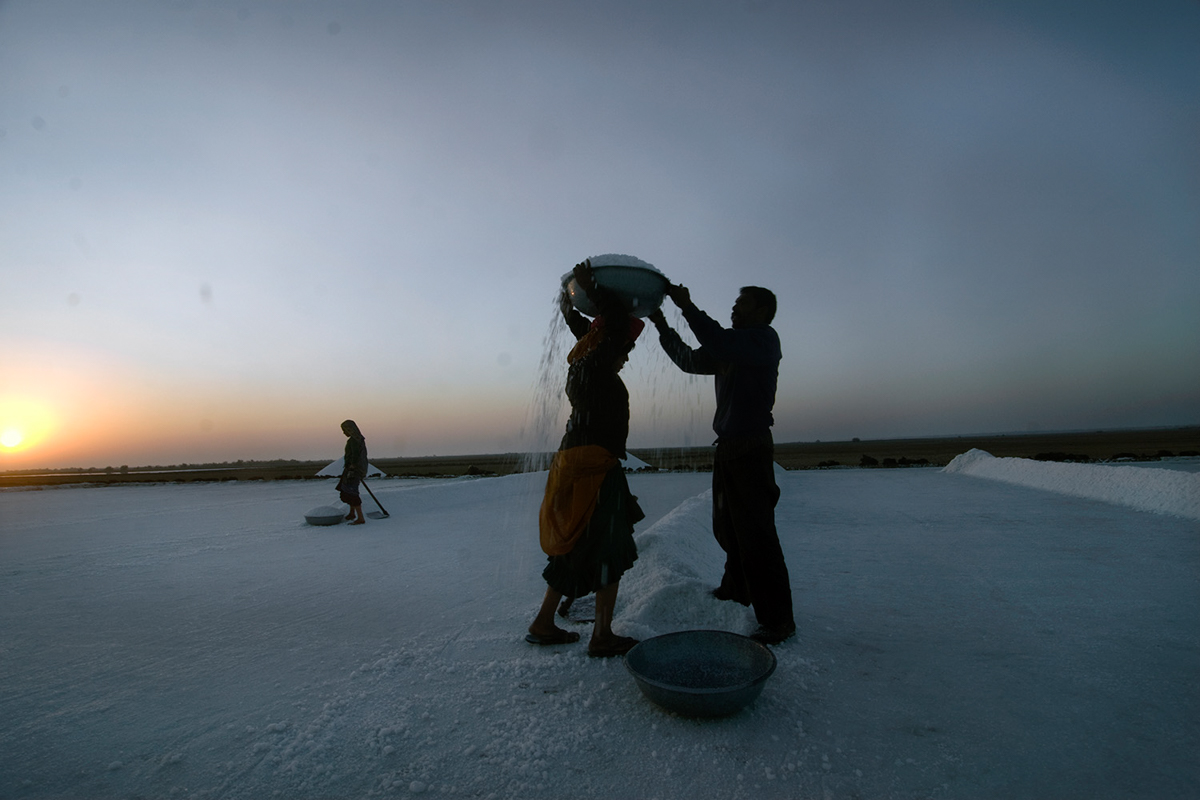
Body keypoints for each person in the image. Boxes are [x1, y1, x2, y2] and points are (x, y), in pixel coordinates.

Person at [648, 284, 796, 645]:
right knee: (729, 526)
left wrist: (687, 306)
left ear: (761, 311)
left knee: (757, 534)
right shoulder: (730, 349)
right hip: (729, 449)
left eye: (740, 305)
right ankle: (736, 589)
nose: (733, 309)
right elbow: (689, 360)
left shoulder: (762, 341)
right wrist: (660, 324)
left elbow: (720, 341)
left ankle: (778, 620)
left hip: (750, 449)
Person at [526, 260, 646, 658]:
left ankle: (544, 621)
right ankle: (602, 634)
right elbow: (609, 324)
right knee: (610, 546)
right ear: (613, 341)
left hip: (574, 460)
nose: (626, 356)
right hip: (597, 467)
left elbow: (590, 331)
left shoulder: (582, 362)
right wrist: (592, 285)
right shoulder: (597, 365)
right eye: (625, 347)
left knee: (575, 541)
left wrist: (567, 309)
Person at [337, 420, 369, 525]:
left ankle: (360, 518)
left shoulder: (353, 441)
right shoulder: (359, 439)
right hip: (356, 469)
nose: (343, 433)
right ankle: (352, 513)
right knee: (350, 491)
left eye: (345, 430)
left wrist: (352, 468)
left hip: (353, 470)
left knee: (351, 492)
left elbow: (355, 455)